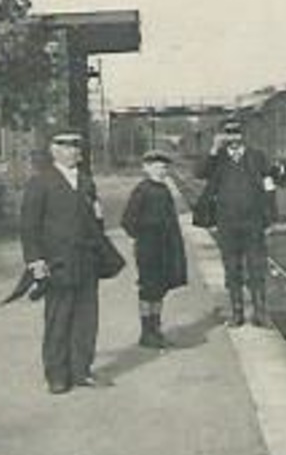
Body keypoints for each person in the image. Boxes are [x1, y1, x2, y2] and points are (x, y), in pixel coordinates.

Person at [18, 131, 106, 394]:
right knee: (58, 318)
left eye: (77, 148)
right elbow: (29, 226)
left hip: (86, 260)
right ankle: (56, 375)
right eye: (67, 147)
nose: (74, 152)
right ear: (54, 151)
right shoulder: (40, 182)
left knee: (86, 319)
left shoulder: (87, 182)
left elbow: (96, 220)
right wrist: (35, 261)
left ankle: (81, 371)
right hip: (57, 262)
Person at [198, 119, 277, 327]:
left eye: (236, 133)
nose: (233, 138)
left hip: (253, 223)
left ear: (243, 135)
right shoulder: (218, 159)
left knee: (257, 267)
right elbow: (199, 173)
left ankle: (260, 312)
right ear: (224, 136)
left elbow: (269, 188)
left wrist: (269, 219)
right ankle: (237, 312)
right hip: (227, 223)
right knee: (232, 268)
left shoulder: (257, 157)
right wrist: (214, 149)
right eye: (229, 133)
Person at [119, 149, 188, 348]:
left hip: (165, 246)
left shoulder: (164, 189)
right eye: (156, 166)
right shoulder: (142, 190)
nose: (161, 170)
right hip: (148, 246)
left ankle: (156, 329)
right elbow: (128, 220)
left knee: (160, 288)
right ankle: (146, 332)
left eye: (164, 167)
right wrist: (141, 237)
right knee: (148, 288)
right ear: (146, 168)